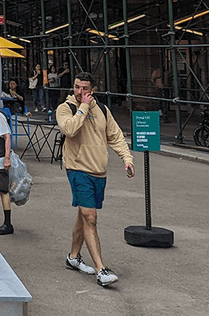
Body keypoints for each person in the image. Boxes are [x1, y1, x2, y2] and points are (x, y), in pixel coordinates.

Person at [55, 71, 135, 287]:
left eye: (84, 89)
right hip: (78, 169)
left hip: (98, 171)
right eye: (76, 87)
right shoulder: (66, 108)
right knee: (90, 217)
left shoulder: (102, 110)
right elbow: (70, 130)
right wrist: (83, 107)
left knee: (84, 216)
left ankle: (73, 257)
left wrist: (127, 159)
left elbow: (115, 136)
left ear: (93, 90)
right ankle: (101, 270)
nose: (80, 92)